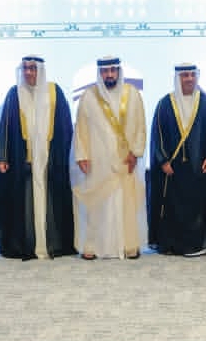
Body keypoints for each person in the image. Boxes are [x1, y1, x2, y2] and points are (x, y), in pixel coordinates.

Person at [0, 56, 75, 260]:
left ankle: (53, 245)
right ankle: (27, 245)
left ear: (41, 70)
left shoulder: (54, 92)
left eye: (33, 68)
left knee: (52, 206)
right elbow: (5, 127)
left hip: (51, 162)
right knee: (26, 207)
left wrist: (68, 157)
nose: (29, 72)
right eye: (26, 68)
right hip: (24, 162)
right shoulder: (14, 93)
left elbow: (65, 127)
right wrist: (2, 156)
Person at [71, 56, 147, 260]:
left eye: (113, 70)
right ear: (100, 73)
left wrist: (136, 153)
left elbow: (140, 125)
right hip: (99, 162)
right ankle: (93, 246)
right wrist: (82, 155)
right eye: (105, 71)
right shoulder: (89, 96)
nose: (110, 74)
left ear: (119, 71)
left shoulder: (132, 94)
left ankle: (129, 245)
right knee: (98, 204)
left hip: (125, 161)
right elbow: (81, 128)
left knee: (126, 202)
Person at [149, 63, 206, 257]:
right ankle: (171, 245)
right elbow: (157, 134)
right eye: (184, 75)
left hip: (197, 165)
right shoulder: (165, 103)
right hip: (173, 166)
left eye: (192, 75)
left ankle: (195, 245)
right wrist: (163, 160)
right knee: (173, 206)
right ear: (178, 78)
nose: (189, 79)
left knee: (195, 206)